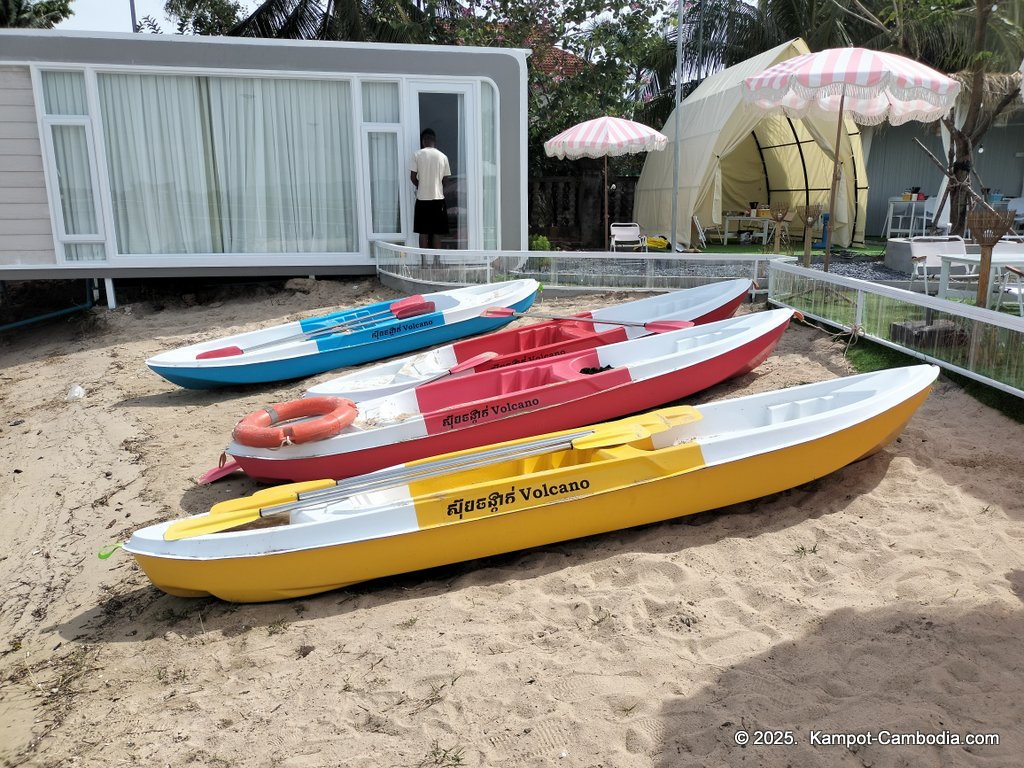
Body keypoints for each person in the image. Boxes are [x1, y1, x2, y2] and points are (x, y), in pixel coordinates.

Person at [409, 128, 451, 265]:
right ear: (434, 140)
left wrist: (420, 186)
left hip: (422, 199)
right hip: (438, 199)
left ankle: (424, 263)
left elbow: (413, 177)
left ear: (423, 140)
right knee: (437, 233)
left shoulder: (417, 155)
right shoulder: (443, 157)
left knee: (423, 232)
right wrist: (438, 187)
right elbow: (446, 180)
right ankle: (437, 262)